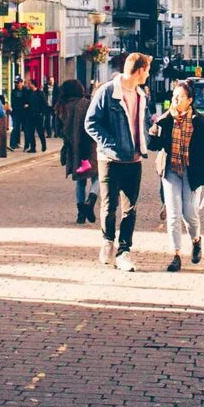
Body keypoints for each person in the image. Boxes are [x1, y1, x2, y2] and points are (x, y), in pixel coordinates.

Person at [147, 77, 204, 271]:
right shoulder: (166, 120)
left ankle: (196, 240)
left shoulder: (200, 121)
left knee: (189, 214)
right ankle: (176, 255)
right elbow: (152, 145)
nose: (175, 100)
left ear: (189, 100)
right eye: (174, 96)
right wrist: (155, 128)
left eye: (180, 97)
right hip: (171, 170)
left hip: (192, 172)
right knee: (173, 214)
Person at [86, 54, 153, 269]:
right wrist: (110, 145)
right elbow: (91, 122)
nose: (149, 74)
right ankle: (107, 241)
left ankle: (124, 251)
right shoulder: (107, 91)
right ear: (140, 70)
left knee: (130, 208)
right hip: (110, 159)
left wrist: (148, 136)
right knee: (109, 205)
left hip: (133, 159)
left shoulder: (141, 95)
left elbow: (145, 122)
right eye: (148, 70)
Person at [54, 78, 96, 222]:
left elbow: (58, 130)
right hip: (90, 147)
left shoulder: (61, 106)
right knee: (97, 176)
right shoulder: (87, 104)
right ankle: (91, 200)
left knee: (80, 180)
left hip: (74, 149)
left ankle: (80, 214)